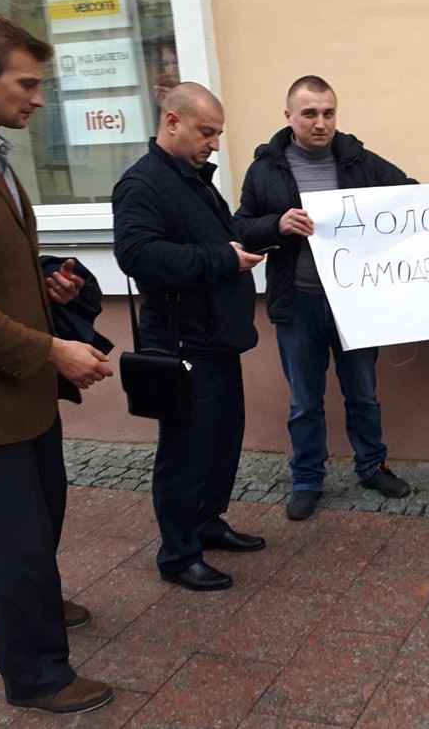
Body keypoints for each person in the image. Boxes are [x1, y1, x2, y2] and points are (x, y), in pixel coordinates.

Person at [0, 14, 114, 714]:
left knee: (41, 520)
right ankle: (36, 675)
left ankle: (33, 602)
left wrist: (43, 288)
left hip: (24, 393)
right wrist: (51, 348)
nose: (38, 97)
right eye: (26, 82)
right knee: (17, 542)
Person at [235, 75, 415, 521]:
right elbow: (240, 227)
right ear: (289, 117)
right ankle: (307, 479)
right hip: (298, 301)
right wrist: (276, 225)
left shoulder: (358, 161)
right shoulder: (265, 169)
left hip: (353, 300)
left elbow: (412, 196)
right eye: (310, 113)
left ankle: (372, 466)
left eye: (328, 113)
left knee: (364, 393)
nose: (320, 123)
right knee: (304, 400)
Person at [112, 82, 266, 592]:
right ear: (172, 122)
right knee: (186, 453)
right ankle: (178, 554)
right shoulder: (143, 184)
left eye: (219, 133)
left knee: (222, 443)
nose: (215, 143)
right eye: (206, 131)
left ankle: (207, 523)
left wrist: (265, 234)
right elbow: (138, 257)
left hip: (217, 339)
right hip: (183, 346)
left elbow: (220, 238)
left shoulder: (195, 179)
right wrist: (225, 258)